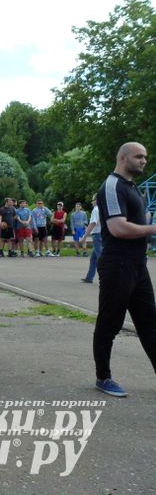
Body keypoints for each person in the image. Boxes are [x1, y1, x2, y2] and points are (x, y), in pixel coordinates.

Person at [91, 142, 156, 397]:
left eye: (145, 157)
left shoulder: (132, 187)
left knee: (150, 323)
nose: (143, 161)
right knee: (109, 323)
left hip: (138, 266)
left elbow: (137, 222)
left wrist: (147, 223)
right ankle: (103, 377)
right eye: (138, 156)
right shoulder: (111, 186)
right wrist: (152, 229)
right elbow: (118, 228)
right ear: (122, 158)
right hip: (117, 266)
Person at [81, 196, 101, 283]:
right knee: (93, 258)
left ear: (96, 200)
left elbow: (93, 223)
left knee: (101, 258)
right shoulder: (104, 209)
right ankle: (89, 277)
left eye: (93, 200)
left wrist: (85, 236)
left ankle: (108, 278)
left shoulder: (96, 210)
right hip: (103, 234)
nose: (92, 202)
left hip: (97, 235)